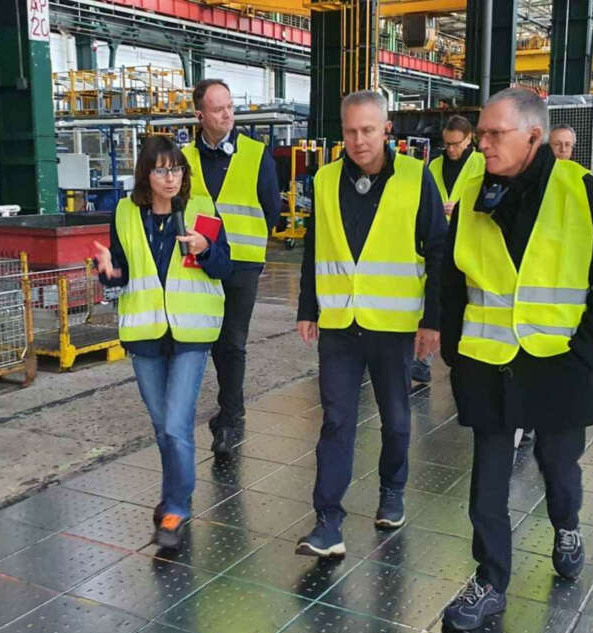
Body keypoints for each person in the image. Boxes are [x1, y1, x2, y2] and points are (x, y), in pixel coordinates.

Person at [439, 88, 593, 631]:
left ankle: (567, 524)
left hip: (560, 364)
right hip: (489, 362)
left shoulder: (583, 194)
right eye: (480, 134)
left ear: (532, 136)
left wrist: (584, 355)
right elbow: (453, 280)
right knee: (488, 484)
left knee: (558, 466)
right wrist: (457, 352)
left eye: (493, 135)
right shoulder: (476, 192)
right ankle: (490, 580)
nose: (482, 145)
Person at [294, 91, 446, 557]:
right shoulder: (324, 180)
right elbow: (315, 245)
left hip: (394, 324)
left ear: (386, 130)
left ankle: (392, 490)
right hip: (340, 323)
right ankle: (327, 522)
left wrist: (432, 320)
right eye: (350, 131)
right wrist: (307, 307)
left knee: (397, 419)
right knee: (336, 421)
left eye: (367, 130)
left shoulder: (417, 179)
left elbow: (439, 251)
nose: (358, 141)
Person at [94, 136, 232, 549]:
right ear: (146, 175)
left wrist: (207, 248)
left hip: (192, 332)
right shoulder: (124, 212)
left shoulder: (201, 210)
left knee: (175, 425)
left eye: (177, 170)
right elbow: (119, 271)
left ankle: (175, 508)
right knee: (163, 429)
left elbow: (225, 266)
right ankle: (173, 498)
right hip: (145, 335)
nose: (171, 178)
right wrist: (105, 270)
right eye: (161, 170)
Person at [181, 79, 281, 458]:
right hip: (197, 262)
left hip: (241, 264)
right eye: (218, 108)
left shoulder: (256, 154)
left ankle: (231, 418)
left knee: (232, 342)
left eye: (230, 106)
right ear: (200, 115)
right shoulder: (184, 157)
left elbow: (271, 209)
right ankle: (215, 412)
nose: (227, 114)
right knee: (198, 340)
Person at [413, 115, 486, 384]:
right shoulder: (434, 165)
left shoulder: (482, 164)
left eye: (456, 144)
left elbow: (491, 200)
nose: (451, 149)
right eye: (447, 144)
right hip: (438, 242)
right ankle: (422, 360)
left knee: (464, 304)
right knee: (433, 298)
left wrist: (462, 209)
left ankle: (466, 362)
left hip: (470, 242)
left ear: (469, 139)